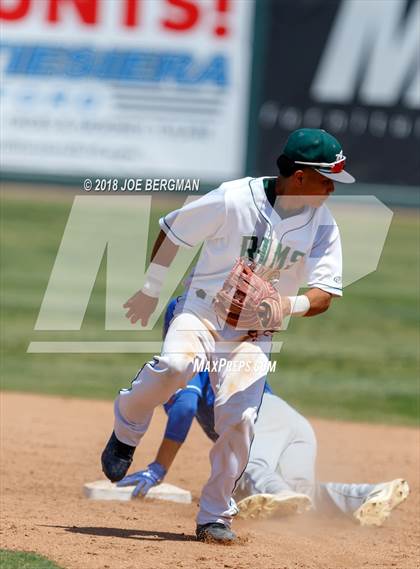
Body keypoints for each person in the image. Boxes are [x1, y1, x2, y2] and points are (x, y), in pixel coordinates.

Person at [102, 128, 355, 544]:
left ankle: (215, 515)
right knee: (175, 367)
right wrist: (150, 290)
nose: (333, 188)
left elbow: (325, 294)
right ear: (300, 176)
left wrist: (286, 305)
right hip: (201, 310)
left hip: (254, 332)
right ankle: (127, 428)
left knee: (240, 419)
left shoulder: (323, 225)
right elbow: (173, 231)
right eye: (328, 178)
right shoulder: (234, 198)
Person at [116, 299, 410, 528]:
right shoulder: (225, 352)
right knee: (302, 493)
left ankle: (280, 495)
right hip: (290, 420)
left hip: (260, 420)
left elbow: (186, 407)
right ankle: (368, 494)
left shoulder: (194, 361)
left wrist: (158, 468)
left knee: (245, 472)